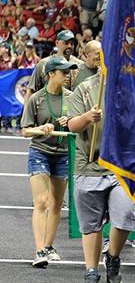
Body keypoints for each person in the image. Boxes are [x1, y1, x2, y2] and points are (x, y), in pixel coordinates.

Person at [68, 70, 135, 282]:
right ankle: (91, 271)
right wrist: (88, 117)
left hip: (123, 167)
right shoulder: (85, 88)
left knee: (125, 217)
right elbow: (72, 125)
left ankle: (113, 257)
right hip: (88, 166)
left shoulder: (130, 91)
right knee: (91, 225)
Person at [22, 56, 78, 267]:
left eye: (69, 72)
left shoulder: (72, 98)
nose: (68, 75)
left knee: (56, 204)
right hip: (40, 152)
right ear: (51, 74)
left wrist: (70, 122)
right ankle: (39, 251)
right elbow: (26, 130)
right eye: (64, 72)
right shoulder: (37, 98)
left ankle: (48, 245)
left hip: (63, 154)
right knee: (42, 202)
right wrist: (42, 128)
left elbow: (79, 126)